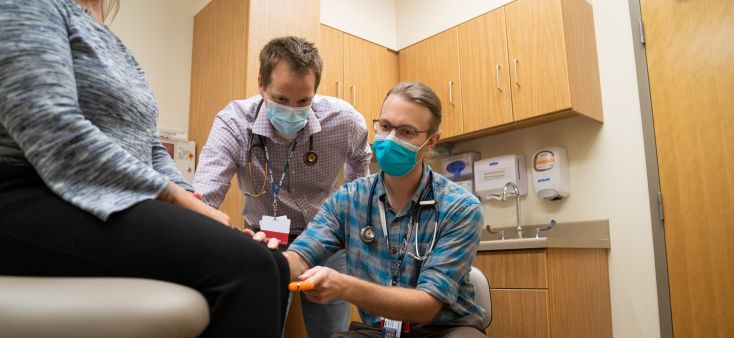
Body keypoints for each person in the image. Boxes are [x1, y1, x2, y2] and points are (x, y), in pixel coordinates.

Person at [0, 1, 288, 337]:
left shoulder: (114, 44)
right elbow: (50, 129)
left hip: (106, 198)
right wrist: (175, 199)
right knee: (250, 268)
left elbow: (149, 144)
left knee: (275, 263)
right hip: (28, 190)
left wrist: (186, 194)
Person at [254, 82, 487, 337]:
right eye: (385, 127)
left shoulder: (460, 208)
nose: (390, 139)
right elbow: (302, 254)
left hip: (444, 328)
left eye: (406, 131)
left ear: (431, 142)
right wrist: (256, 258)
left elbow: (426, 306)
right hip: (381, 330)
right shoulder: (349, 199)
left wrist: (345, 286)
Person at [193, 36, 372, 337]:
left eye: (303, 101)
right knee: (262, 328)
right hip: (267, 242)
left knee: (332, 333)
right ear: (261, 84)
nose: (292, 111)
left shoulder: (344, 120)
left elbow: (361, 163)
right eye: (281, 100)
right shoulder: (234, 122)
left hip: (327, 240)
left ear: (316, 89)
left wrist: (354, 223)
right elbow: (205, 195)